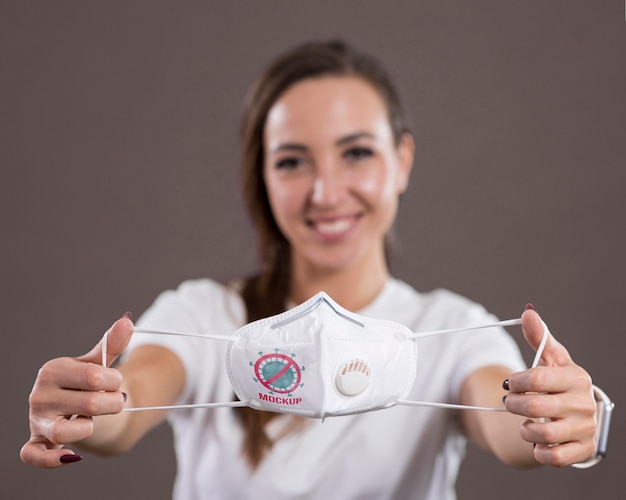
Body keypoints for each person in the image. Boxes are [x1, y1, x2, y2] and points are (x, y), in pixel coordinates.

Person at [21, 40, 601, 499]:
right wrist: (88, 408)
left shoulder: (449, 329)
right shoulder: (201, 314)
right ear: (263, 177)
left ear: (401, 161)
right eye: (293, 161)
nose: (326, 192)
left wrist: (565, 418)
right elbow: (132, 399)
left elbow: (507, 424)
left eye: (356, 153)